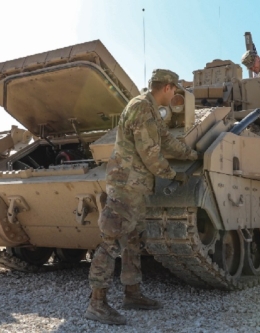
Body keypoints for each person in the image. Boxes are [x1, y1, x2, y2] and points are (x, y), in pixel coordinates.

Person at [85, 69, 199, 325]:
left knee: (133, 240)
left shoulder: (150, 109)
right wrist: (171, 174)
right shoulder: (141, 108)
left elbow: (166, 141)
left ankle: (132, 294)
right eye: (175, 91)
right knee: (111, 241)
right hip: (126, 185)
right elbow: (148, 151)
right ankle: (97, 304)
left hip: (136, 187)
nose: (175, 96)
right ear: (167, 87)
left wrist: (191, 154)